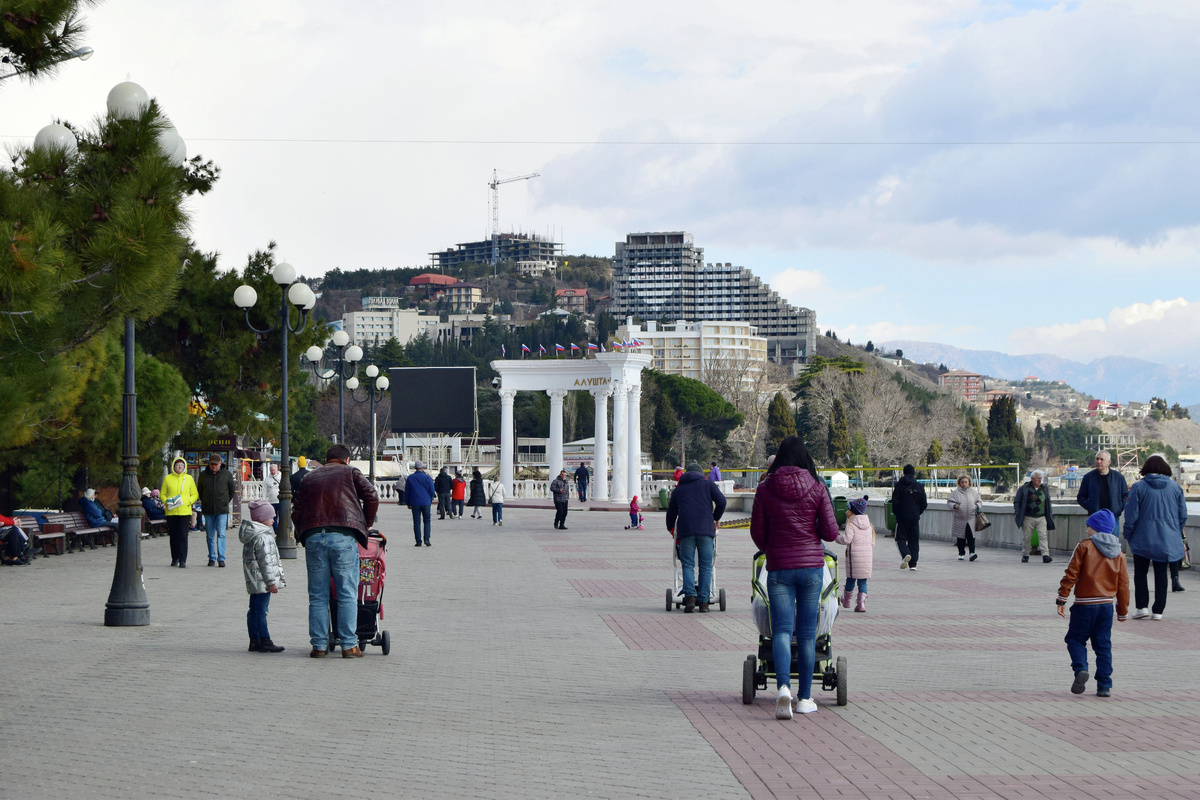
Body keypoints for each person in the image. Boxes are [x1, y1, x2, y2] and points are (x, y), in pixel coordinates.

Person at [751, 437, 838, 719]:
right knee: (807, 634)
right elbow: (831, 533)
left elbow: (757, 532)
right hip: (811, 567)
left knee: (782, 631)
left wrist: (771, 548)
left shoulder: (765, 488)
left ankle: (783, 689)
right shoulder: (817, 487)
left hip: (778, 567)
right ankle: (804, 698)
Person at [292, 443, 378, 659]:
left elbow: (296, 509)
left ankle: (319, 646)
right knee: (347, 593)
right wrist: (365, 525)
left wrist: (303, 532)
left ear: (327, 459)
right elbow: (372, 495)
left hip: (313, 537)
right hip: (342, 536)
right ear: (346, 459)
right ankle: (349, 645)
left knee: (317, 595)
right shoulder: (350, 472)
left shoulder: (310, 477)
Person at [1057, 510, 1128, 697]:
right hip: (1106, 606)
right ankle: (1105, 685)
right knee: (1103, 645)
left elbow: (1071, 573)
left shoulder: (1084, 546)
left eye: (1089, 526)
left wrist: (1062, 598)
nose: (1086, 529)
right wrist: (1122, 611)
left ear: (1095, 528)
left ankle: (1081, 668)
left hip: (1084, 604)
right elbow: (1123, 584)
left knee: (1075, 639)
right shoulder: (1119, 553)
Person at [1123, 455, 1188, 620]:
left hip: (1143, 537)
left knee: (1140, 572)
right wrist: (1174, 531)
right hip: (1167, 537)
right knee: (1161, 573)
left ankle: (1142, 607)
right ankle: (1158, 611)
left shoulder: (1138, 487)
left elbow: (1131, 515)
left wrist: (1128, 534)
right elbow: (1182, 515)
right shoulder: (1175, 488)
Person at [669, 463, 727, 613]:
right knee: (706, 566)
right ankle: (704, 602)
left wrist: (671, 529)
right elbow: (722, 502)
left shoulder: (679, 489)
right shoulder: (708, 484)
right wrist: (715, 518)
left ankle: (690, 598)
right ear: (701, 473)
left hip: (685, 530)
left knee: (687, 564)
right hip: (706, 530)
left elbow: (671, 513)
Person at [240, 500, 286, 653]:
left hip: (254, 580)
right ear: (262, 518)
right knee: (261, 611)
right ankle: (265, 640)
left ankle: (254, 640)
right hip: (263, 581)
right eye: (271, 517)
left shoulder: (251, 535)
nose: (273, 520)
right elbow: (266, 562)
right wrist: (272, 582)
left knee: (253, 610)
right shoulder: (263, 537)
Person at [197, 453, 235, 567]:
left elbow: (231, 490)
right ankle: (211, 557)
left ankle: (221, 558)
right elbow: (200, 490)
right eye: (212, 464)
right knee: (209, 535)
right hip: (208, 509)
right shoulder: (203, 475)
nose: (214, 466)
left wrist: (225, 501)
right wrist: (205, 501)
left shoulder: (227, 474)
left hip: (222, 509)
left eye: (216, 464)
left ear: (220, 463)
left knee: (221, 534)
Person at [837, 496, 874, 612]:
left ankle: (846, 601)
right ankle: (861, 604)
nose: (845, 511)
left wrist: (836, 537)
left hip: (854, 558)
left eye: (848, 509)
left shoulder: (851, 525)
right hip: (867, 559)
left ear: (853, 511)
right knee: (863, 581)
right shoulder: (869, 526)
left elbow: (846, 540)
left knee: (851, 579)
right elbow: (872, 543)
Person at [161, 456, 198, 567]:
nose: (179, 467)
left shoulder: (189, 478)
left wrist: (188, 501)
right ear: (173, 466)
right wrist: (166, 501)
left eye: (181, 465)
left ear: (185, 467)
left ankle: (183, 560)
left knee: (183, 536)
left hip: (184, 511)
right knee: (173, 536)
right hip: (171, 511)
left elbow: (195, 494)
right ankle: (174, 558)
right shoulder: (167, 478)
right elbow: (162, 494)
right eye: (177, 465)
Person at [1076, 450, 1129, 524]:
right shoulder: (1088, 477)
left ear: (1109, 462)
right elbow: (1081, 497)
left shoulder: (1118, 477)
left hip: (1113, 519)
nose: (1098, 461)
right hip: (1095, 519)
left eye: (1101, 459)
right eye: (1097, 459)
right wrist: (1091, 507)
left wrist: (1118, 509)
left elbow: (1125, 496)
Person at [891, 464, 927, 570]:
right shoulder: (919, 486)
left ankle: (906, 553)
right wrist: (917, 513)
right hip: (915, 518)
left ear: (904, 472)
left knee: (900, 538)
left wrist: (897, 513)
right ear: (914, 472)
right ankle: (913, 564)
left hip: (902, 517)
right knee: (914, 540)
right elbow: (924, 504)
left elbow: (895, 501)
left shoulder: (899, 485)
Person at [1014, 470, 1055, 564]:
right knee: (1027, 537)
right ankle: (1025, 554)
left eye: (1041, 478)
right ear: (1032, 479)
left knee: (1043, 536)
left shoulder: (1044, 488)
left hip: (1041, 517)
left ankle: (1045, 555)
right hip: (1028, 517)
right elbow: (1017, 501)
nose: (1040, 480)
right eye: (1038, 478)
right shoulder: (1024, 488)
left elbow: (1048, 502)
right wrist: (1018, 513)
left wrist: (1049, 514)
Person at [948, 474, 981, 562]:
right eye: (962, 482)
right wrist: (955, 506)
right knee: (960, 537)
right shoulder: (956, 492)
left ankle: (972, 553)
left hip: (971, 518)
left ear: (969, 483)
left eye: (966, 482)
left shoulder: (973, 492)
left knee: (971, 536)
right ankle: (961, 553)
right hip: (959, 518)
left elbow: (979, 501)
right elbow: (950, 502)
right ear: (959, 483)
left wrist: (977, 506)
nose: (964, 484)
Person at [404, 461, 436, 547]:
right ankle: (427, 539)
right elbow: (432, 490)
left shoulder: (410, 478)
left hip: (414, 502)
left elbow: (407, 491)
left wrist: (408, 502)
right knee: (427, 521)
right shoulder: (427, 477)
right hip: (426, 502)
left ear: (415, 467)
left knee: (416, 522)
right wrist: (429, 498)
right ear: (422, 467)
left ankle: (418, 541)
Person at [265, 463, 281, 532]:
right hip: (271, 501)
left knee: (282, 516)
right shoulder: (267, 479)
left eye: (274, 470)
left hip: (280, 500)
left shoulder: (281, 477)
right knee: (274, 517)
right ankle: (277, 531)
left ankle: (281, 530)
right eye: (271, 470)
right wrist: (264, 500)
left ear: (277, 469)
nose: (273, 472)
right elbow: (265, 490)